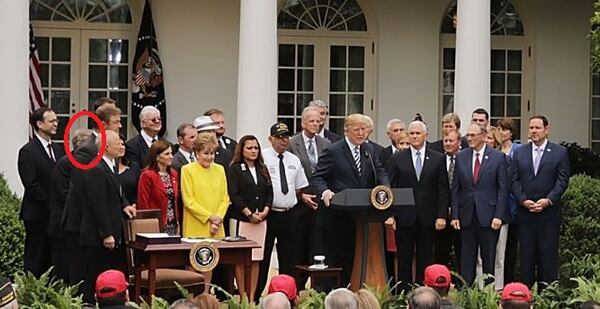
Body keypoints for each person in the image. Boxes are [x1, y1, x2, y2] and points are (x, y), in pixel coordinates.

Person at [312, 114, 390, 285]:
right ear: (346, 130)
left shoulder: (369, 151)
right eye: (357, 130)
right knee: (334, 260)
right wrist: (325, 192)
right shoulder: (333, 151)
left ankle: (351, 291)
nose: (361, 133)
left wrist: (385, 188)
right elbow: (317, 177)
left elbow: (380, 171)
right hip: (335, 217)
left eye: (364, 129)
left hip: (360, 218)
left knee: (352, 259)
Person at [387, 121, 450, 291]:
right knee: (404, 258)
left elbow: (443, 189)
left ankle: (424, 292)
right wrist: (391, 214)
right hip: (404, 216)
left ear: (425, 135)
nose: (414, 136)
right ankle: (403, 294)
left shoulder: (438, 158)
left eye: (417, 133)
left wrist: (441, 215)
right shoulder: (398, 158)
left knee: (425, 257)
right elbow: (390, 187)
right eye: (411, 133)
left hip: (428, 217)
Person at [510, 115, 570, 287]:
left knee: (547, 258)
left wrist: (548, 200)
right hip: (525, 214)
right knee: (526, 258)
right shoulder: (519, 152)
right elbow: (513, 179)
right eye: (531, 128)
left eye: (537, 128)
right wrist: (522, 200)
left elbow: (562, 181)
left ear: (546, 129)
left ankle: (547, 297)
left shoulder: (559, 152)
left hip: (548, 215)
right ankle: (526, 296)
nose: (534, 131)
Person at [79, 131, 136, 303]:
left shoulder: (110, 165)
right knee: (95, 278)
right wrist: (106, 233)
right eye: (118, 142)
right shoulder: (96, 168)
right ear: (106, 147)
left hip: (112, 233)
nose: (122, 145)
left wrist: (125, 204)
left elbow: (115, 192)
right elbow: (98, 204)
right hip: (98, 237)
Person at [255, 123, 310, 301]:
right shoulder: (261, 156)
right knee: (263, 257)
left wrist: (301, 198)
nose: (283, 140)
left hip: (289, 213)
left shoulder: (293, 159)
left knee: (289, 258)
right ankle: (257, 295)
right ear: (270, 139)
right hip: (269, 214)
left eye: (286, 136)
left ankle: (288, 296)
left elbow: (300, 187)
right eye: (279, 137)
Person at [451, 124, 508, 287]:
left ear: (484, 136)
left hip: (489, 216)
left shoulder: (498, 157)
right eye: (467, 135)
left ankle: (488, 294)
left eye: (473, 135)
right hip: (467, 214)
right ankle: (467, 293)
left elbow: (503, 189)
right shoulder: (461, 157)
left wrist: (499, 215)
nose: (469, 138)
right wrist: (455, 215)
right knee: (467, 258)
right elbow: (456, 188)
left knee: (488, 258)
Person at [18, 107, 65, 278]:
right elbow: (31, 184)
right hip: (37, 215)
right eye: (51, 121)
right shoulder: (28, 151)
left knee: (53, 258)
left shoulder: (60, 150)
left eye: (56, 120)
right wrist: (50, 205)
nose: (56, 123)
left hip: (57, 216)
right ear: (39, 124)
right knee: (36, 257)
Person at [228, 135, 273, 300]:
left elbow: (270, 191)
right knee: (241, 259)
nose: (253, 151)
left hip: (261, 220)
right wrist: (248, 213)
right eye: (249, 148)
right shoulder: (235, 168)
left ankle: (252, 297)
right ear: (242, 149)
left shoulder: (262, 168)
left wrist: (265, 211)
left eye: (256, 148)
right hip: (243, 219)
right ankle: (243, 296)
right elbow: (234, 194)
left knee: (256, 259)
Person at [287, 106, 330, 278]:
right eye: (311, 121)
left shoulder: (326, 144)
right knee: (298, 246)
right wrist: (301, 195)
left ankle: (317, 282)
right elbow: (288, 175)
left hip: (320, 201)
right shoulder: (291, 143)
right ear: (303, 123)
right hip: (300, 201)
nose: (316, 124)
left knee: (318, 244)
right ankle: (297, 282)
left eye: (318, 121)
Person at [48, 128, 93, 281]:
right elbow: (64, 193)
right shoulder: (66, 163)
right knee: (65, 268)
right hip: (65, 223)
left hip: (82, 225)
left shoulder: (92, 163)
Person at [181, 132, 230, 238]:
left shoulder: (220, 169)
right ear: (197, 153)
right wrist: (210, 217)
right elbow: (188, 201)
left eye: (212, 153)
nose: (209, 157)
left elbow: (225, 198)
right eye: (206, 153)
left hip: (217, 226)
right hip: (196, 225)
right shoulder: (187, 170)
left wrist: (217, 219)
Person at [496, 118, 522, 285]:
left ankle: (509, 282)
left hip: (515, 204)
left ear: (511, 132)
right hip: (498, 207)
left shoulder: (519, 150)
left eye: (505, 129)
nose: (502, 132)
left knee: (511, 247)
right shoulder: (494, 150)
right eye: (499, 128)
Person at [433, 130, 462, 272]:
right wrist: (444, 210)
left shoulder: (465, 160)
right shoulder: (438, 160)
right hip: (441, 215)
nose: (448, 144)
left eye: (451, 141)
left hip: (461, 214)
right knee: (441, 252)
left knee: (461, 252)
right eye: (446, 141)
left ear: (459, 142)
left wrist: (454, 208)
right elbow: (439, 187)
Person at [138, 140, 180, 235]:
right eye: (167, 154)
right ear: (157, 157)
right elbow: (143, 203)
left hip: (173, 224)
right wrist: (148, 224)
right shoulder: (147, 175)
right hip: (156, 224)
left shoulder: (173, 174)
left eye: (171, 153)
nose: (171, 157)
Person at [116, 134, 141, 209]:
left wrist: (135, 204)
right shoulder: (104, 168)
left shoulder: (134, 167)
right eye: (118, 144)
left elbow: (140, 190)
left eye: (123, 144)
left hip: (132, 211)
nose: (122, 147)